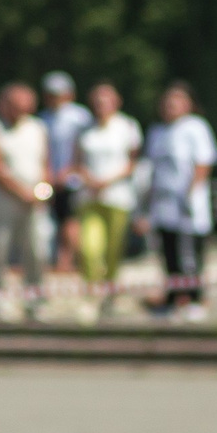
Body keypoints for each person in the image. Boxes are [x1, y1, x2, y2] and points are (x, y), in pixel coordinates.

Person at [143, 82, 217, 321]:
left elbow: (203, 163)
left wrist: (190, 193)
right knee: (169, 253)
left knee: (191, 254)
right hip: (163, 204)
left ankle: (196, 298)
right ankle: (174, 299)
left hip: (188, 204)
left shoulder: (196, 127)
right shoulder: (157, 132)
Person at [0, 83, 53, 321]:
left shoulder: (37, 128)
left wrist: (41, 192)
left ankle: (35, 300)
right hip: (4, 200)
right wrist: (22, 193)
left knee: (36, 252)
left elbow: (44, 164)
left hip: (33, 200)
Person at [72, 82, 144, 312]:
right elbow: (77, 161)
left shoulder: (128, 126)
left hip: (118, 197)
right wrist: (90, 179)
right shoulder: (85, 130)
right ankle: (91, 293)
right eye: (97, 102)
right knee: (90, 248)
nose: (101, 106)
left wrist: (107, 181)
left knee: (114, 250)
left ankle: (111, 294)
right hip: (89, 198)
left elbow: (132, 162)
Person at [39, 72, 91, 274]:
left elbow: (83, 149)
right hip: (49, 179)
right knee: (52, 216)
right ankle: (57, 257)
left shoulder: (80, 117)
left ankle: (67, 259)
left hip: (72, 179)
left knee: (70, 218)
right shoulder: (44, 118)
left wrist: (69, 170)